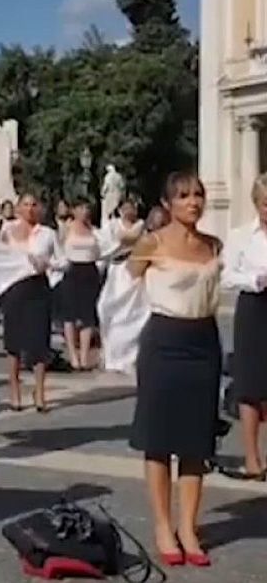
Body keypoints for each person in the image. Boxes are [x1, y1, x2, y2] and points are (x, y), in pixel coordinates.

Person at [127, 171, 220, 566]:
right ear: (168, 203)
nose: (193, 202)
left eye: (197, 194)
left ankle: (188, 526)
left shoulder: (214, 245)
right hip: (163, 342)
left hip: (204, 342)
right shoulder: (151, 242)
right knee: (161, 438)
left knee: (196, 441)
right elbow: (122, 291)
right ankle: (163, 525)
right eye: (183, 196)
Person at [220, 173, 267, 480]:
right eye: (266, 204)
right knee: (251, 386)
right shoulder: (240, 235)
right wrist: (254, 279)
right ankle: (252, 458)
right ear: (256, 204)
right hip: (253, 308)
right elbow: (226, 276)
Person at [0, 194, 57, 412]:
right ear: (18, 208)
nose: (30, 209)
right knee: (13, 341)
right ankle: (14, 389)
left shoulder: (48, 234)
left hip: (38, 287)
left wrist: (47, 263)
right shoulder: (8, 230)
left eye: (34, 205)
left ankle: (40, 391)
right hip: (14, 287)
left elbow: (63, 261)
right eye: (26, 205)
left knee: (39, 340)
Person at [59, 199, 102, 371]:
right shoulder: (67, 227)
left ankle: (84, 356)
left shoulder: (93, 230)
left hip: (89, 270)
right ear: (74, 210)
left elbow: (99, 251)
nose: (85, 211)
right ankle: (73, 355)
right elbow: (60, 249)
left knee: (87, 315)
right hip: (72, 269)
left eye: (87, 208)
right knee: (69, 314)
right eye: (81, 208)